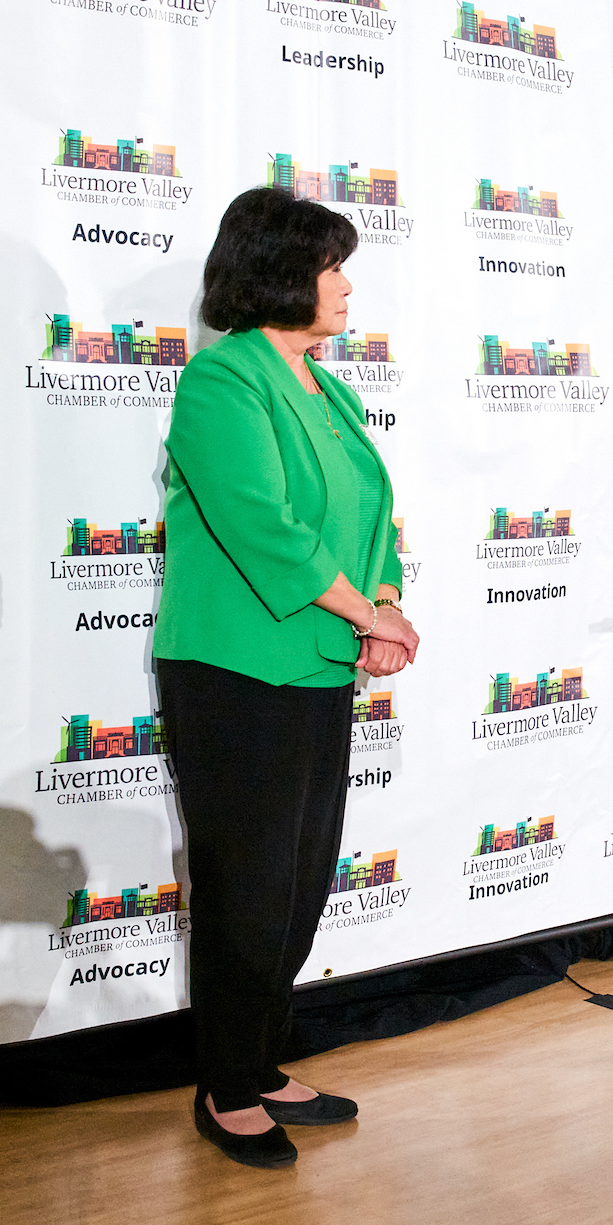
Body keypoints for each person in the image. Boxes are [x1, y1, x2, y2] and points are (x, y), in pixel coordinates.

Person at [156, 186, 418, 1168]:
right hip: (234, 669)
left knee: (302, 880)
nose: (346, 285)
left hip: (315, 663)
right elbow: (264, 524)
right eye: (330, 266)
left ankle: (259, 1060)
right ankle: (225, 1086)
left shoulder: (326, 387)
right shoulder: (222, 380)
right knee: (248, 884)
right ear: (278, 276)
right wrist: (367, 614)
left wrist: (380, 596)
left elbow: (371, 514)